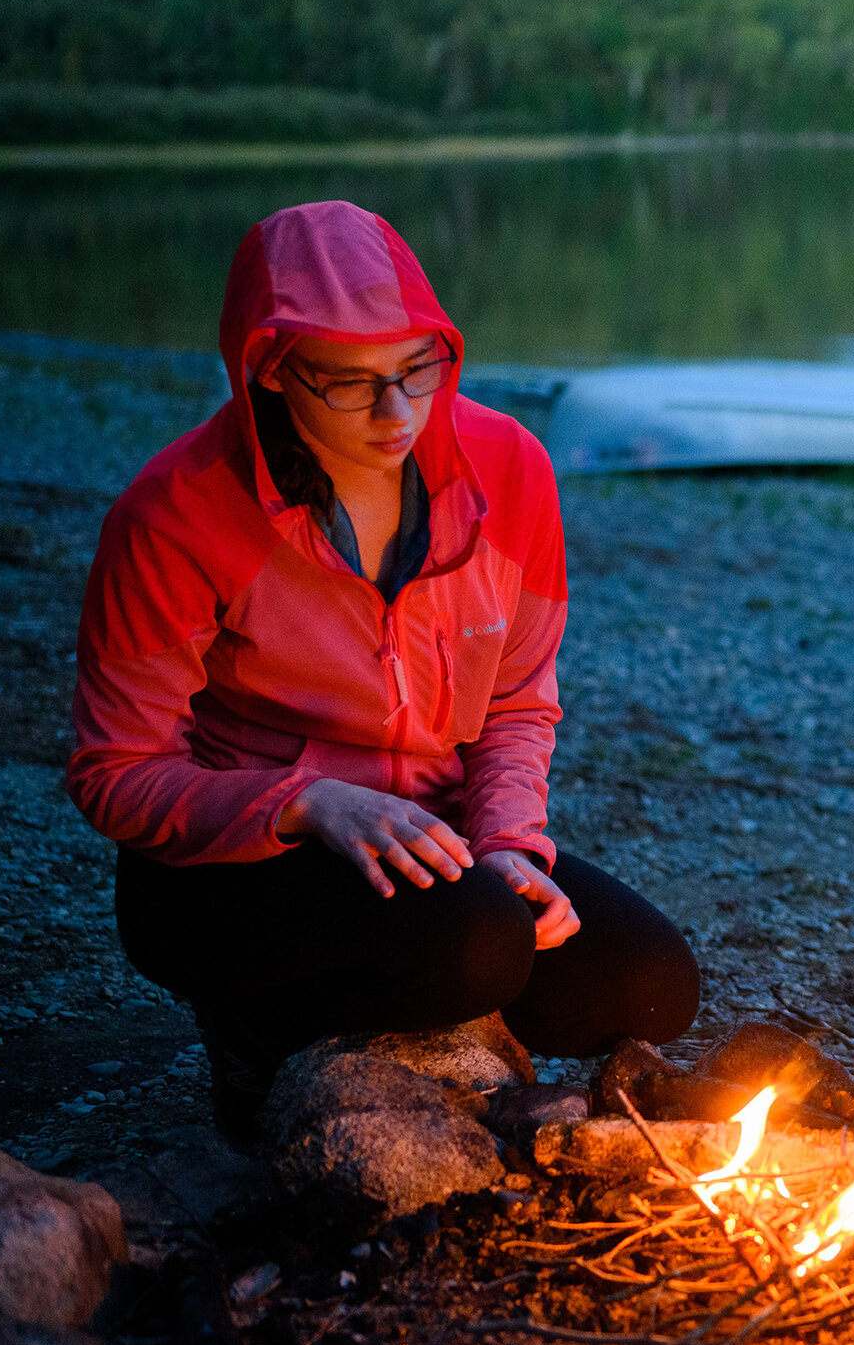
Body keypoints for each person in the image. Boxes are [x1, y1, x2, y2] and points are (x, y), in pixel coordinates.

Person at [68, 199, 698, 1141]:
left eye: (417, 369)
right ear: (271, 373)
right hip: (234, 864)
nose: (398, 412)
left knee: (651, 985)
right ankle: (257, 1029)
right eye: (351, 384)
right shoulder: (174, 518)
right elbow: (113, 773)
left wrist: (510, 847)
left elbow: (520, 702)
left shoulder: (510, 473)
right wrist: (307, 801)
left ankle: (422, 978)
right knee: (476, 947)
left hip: (433, 843)